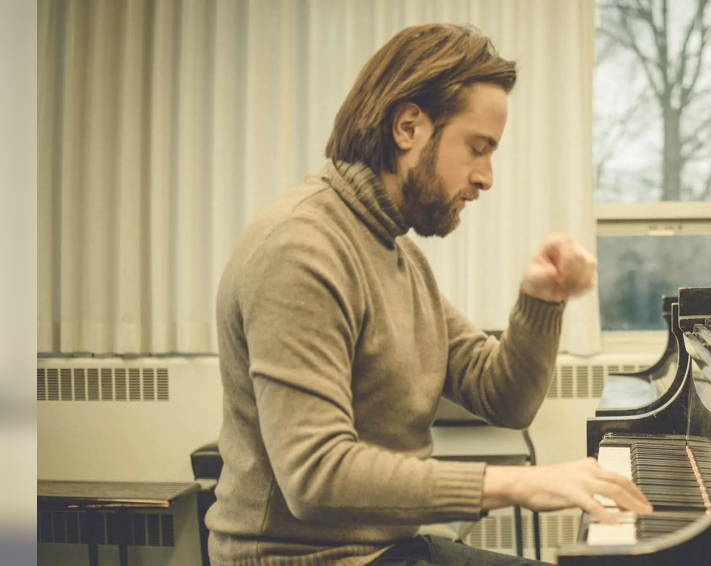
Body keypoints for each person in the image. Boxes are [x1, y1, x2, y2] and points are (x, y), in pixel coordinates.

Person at [206, 23, 651, 566]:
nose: (486, 178)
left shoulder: (397, 255)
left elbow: (504, 399)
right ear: (409, 127)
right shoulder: (300, 250)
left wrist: (542, 301)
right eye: (478, 148)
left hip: (386, 549)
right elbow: (315, 474)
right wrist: (517, 484)